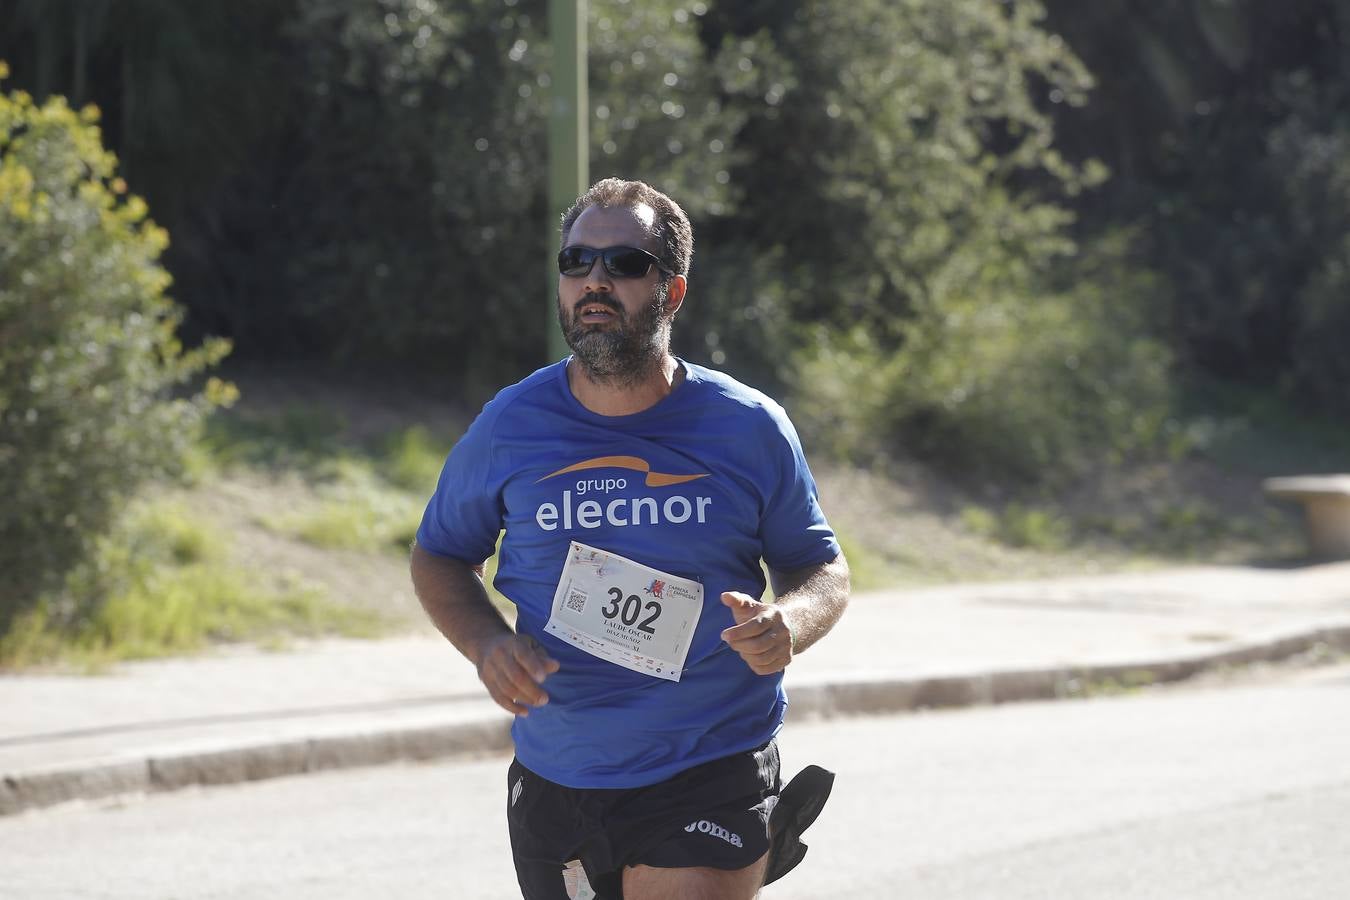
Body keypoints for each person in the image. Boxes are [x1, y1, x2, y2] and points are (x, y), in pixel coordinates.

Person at [410, 177, 850, 900]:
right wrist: (487, 646)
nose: (595, 281)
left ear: (671, 292)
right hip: (560, 773)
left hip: (708, 763)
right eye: (577, 262)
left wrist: (789, 625)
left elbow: (821, 568)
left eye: (625, 265)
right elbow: (441, 553)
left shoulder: (747, 426)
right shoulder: (511, 425)